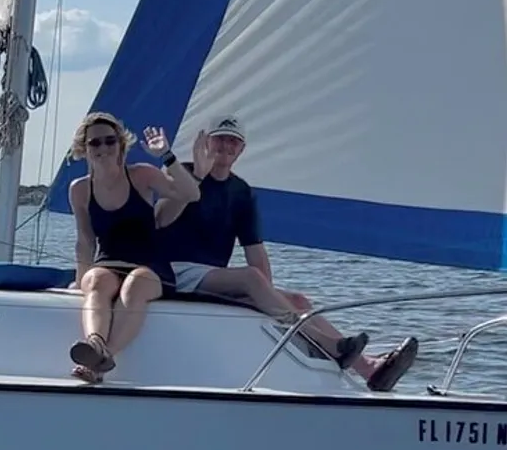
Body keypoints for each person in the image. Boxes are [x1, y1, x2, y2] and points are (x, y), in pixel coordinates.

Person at [154, 114, 417, 391]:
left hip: (212, 277)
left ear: (241, 149)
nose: (226, 146)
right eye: (220, 139)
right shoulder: (180, 171)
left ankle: (369, 369)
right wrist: (196, 176)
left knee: (297, 300)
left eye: (233, 141)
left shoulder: (241, 192)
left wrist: (271, 295)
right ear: (207, 142)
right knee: (252, 280)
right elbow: (160, 220)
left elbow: (255, 250)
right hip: (174, 271)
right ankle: (331, 346)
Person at [66, 112, 202, 384]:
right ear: (84, 149)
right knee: (95, 281)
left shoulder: (142, 175)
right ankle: (94, 342)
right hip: (108, 263)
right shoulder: (79, 189)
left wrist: (166, 156)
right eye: (95, 143)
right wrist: (80, 278)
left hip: (151, 266)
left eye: (109, 141)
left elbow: (191, 194)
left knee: (134, 285)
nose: (103, 148)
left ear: (120, 145)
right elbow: (85, 240)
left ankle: (103, 358)